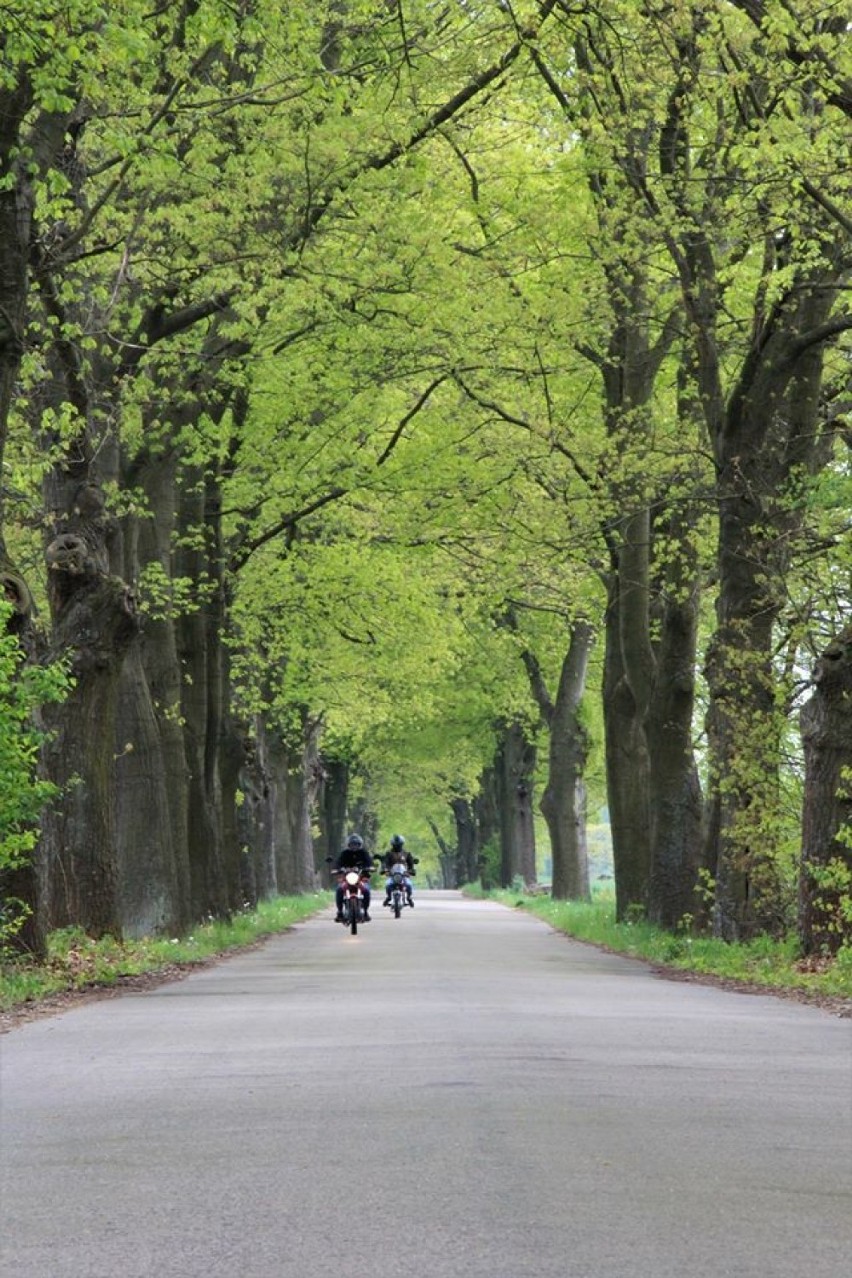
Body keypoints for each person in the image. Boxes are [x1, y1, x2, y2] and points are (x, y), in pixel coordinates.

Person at [333, 832, 374, 922]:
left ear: (360, 844)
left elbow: (370, 863)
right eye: (352, 844)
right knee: (339, 890)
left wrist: (370, 868)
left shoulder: (364, 853)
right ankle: (340, 912)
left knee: (366, 890)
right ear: (349, 845)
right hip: (347, 878)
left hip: (361, 878)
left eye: (356, 844)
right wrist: (336, 869)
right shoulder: (344, 853)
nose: (354, 846)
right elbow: (338, 863)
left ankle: (366, 911)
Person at [381, 833, 417, 908]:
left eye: (399, 844)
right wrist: (385, 870)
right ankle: (389, 897)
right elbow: (385, 863)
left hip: (403, 875)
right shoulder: (389, 854)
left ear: (402, 844)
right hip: (392, 875)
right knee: (388, 885)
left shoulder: (407, 854)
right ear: (392, 844)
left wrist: (411, 871)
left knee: (409, 885)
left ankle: (409, 898)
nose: (397, 846)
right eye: (395, 845)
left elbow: (411, 864)